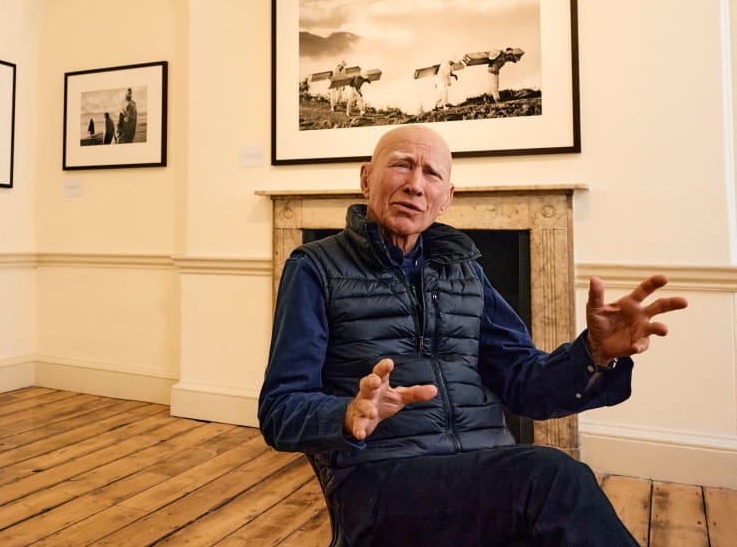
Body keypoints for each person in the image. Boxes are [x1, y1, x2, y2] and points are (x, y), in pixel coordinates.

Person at [257, 125, 688, 546]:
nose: (415, 184)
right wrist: (347, 413)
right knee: (552, 477)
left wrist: (593, 353)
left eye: (431, 174)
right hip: (381, 480)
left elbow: (525, 384)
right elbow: (280, 409)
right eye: (401, 165)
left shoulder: (466, 273)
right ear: (367, 178)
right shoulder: (314, 268)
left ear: (446, 198)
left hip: (484, 474)